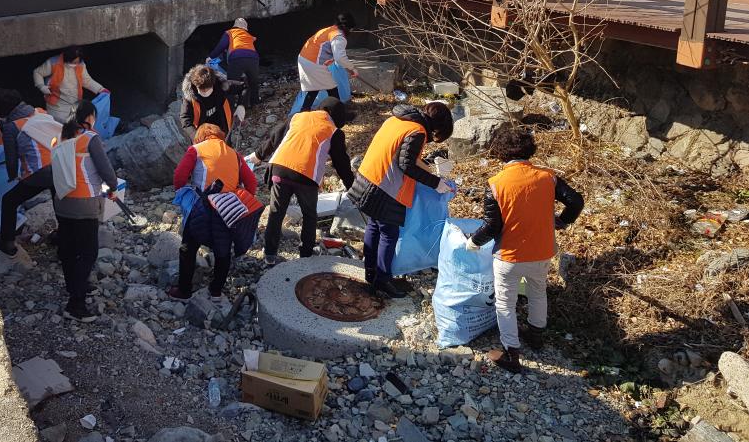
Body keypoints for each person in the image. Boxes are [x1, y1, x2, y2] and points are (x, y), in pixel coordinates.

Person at [466, 124, 584, 373]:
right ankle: (536, 336)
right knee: (538, 292)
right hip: (542, 252)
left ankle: (512, 353)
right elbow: (576, 200)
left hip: (509, 256)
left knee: (505, 304)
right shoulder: (548, 177)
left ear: (499, 152)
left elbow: (492, 227)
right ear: (529, 150)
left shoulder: (497, 184)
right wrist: (562, 221)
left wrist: (474, 241)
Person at [348, 102, 456, 298]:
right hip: (383, 186)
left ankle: (370, 272)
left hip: (366, 178)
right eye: (438, 135)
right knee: (389, 233)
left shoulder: (398, 119)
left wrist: (428, 170)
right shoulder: (418, 131)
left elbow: (403, 154)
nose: (433, 140)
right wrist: (436, 184)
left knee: (374, 226)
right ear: (437, 127)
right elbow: (406, 164)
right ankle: (382, 280)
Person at [248, 98, 355, 266]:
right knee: (309, 216)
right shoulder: (334, 131)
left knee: (276, 213)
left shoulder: (298, 117)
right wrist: (352, 187)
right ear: (336, 116)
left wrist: (259, 155)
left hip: (280, 169)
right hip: (306, 176)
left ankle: (269, 254)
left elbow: (275, 136)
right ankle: (305, 254)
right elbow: (341, 163)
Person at [169, 124, 262, 302]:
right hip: (227, 209)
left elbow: (179, 175)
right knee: (222, 249)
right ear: (219, 137)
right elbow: (251, 183)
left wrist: (182, 193)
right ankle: (216, 291)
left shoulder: (195, 149)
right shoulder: (234, 154)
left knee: (188, 247)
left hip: (203, 205)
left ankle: (184, 290)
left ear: (200, 136)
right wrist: (239, 198)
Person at [50, 101, 119, 323]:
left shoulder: (60, 139)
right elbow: (107, 171)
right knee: (88, 253)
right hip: (85, 204)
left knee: (69, 250)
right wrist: (112, 186)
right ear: (90, 117)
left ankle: (76, 286)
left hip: (62, 204)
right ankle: (75, 303)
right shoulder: (90, 138)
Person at [0, 88, 62, 256]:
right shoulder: (41, 112)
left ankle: (7, 243)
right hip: (61, 166)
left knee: (9, 200)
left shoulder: (11, 127)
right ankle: (63, 236)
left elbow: (11, 159)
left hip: (39, 173)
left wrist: (13, 176)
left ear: (2, 112)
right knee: (59, 201)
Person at [297, 13, 359, 112]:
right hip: (313, 63)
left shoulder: (331, 29)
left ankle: (304, 111)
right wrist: (352, 68)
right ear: (348, 27)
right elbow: (340, 58)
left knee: (314, 88)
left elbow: (326, 50)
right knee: (332, 89)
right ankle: (340, 114)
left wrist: (334, 60)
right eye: (351, 29)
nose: (351, 31)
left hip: (304, 58)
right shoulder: (339, 37)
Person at [33, 45, 109, 124]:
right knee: (61, 126)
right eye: (73, 62)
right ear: (66, 58)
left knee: (75, 126)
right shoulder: (53, 63)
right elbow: (37, 72)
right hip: (56, 105)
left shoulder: (80, 64)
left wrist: (100, 89)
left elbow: (87, 81)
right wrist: (41, 86)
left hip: (74, 103)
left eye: (77, 62)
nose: (75, 64)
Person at [179, 64, 246, 141]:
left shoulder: (222, 86)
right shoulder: (190, 96)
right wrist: (197, 137)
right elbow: (185, 120)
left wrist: (241, 106)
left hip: (223, 132)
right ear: (195, 86)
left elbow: (244, 87)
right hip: (201, 135)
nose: (205, 92)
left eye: (208, 89)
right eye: (201, 90)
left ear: (213, 84)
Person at [209, 18, 260, 106]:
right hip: (253, 59)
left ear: (234, 26)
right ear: (245, 28)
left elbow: (221, 46)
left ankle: (230, 106)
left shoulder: (229, 33)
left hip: (237, 58)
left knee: (231, 84)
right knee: (253, 83)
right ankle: (254, 104)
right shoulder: (248, 35)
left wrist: (211, 57)